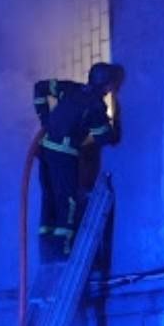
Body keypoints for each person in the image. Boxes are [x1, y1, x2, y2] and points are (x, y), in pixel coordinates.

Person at [32, 62, 123, 261]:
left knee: (49, 200)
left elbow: (39, 87)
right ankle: (64, 250)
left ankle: (46, 251)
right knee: (67, 201)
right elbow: (104, 138)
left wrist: (45, 120)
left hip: (44, 151)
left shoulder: (70, 88)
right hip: (63, 156)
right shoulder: (96, 106)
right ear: (107, 85)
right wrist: (115, 119)